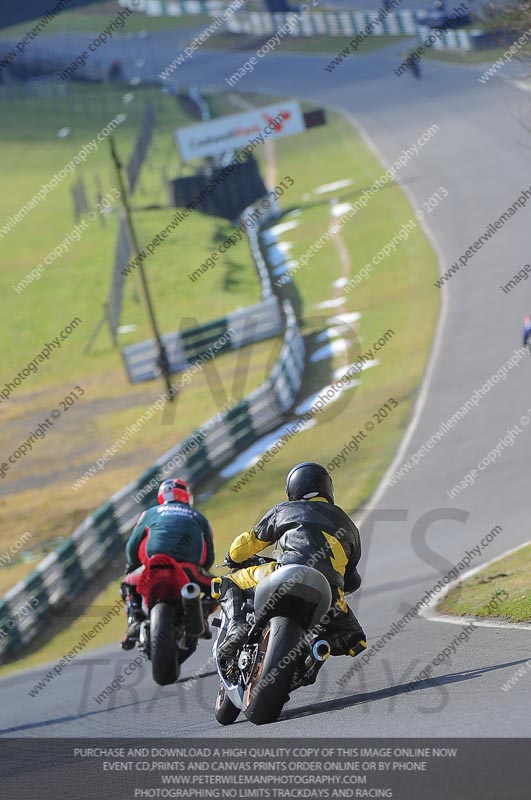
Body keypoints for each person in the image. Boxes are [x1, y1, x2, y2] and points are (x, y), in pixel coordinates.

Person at [218, 462, 366, 660]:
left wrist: (232, 557)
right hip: (330, 592)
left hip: (286, 573)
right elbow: (352, 578)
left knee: (227, 581)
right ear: (328, 489)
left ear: (292, 489)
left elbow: (250, 543)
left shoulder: (285, 509)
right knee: (356, 640)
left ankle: (236, 626)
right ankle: (316, 651)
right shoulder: (349, 525)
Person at [121, 478, 215, 650]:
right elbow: (209, 553)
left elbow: (132, 545)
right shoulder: (199, 517)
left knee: (127, 583)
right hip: (188, 570)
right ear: (186, 496)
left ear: (161, 496)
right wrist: (205, 568)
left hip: (153, 566)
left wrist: (132, 565)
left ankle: (134, 618)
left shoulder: (150, 513)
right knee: (218, 587)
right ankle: (202, 615)